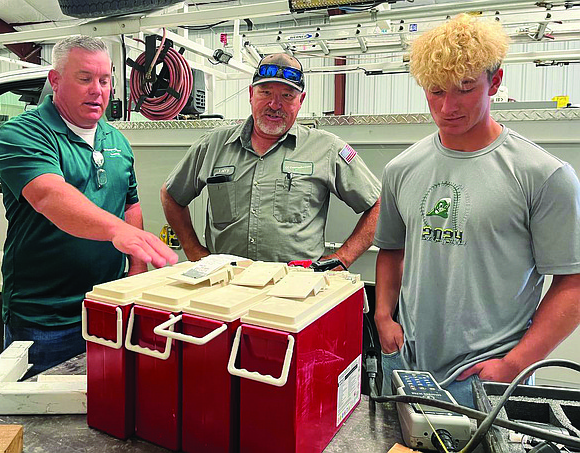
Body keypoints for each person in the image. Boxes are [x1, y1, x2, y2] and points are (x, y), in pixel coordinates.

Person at [374, 14, 580, 407]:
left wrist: (515, 363)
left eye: (465, 89)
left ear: (495, 82)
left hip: (491, 377)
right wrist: (384, 317)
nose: (447, 107)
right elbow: (391, 250)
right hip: (406, 364)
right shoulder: (401, 169)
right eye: (435, 91)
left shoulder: (544, 175)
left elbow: (573, 285)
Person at [0, 35, 178, 377]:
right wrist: (116, 231)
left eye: (105, 80)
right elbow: (50, 196)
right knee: (40, 420)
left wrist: (134, 275)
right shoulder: (23, 134)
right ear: (56, 80)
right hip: (45, 319)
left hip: (107, 309)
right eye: (85, 79)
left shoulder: (116, 139)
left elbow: (129, 205)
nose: (98, 90)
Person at [161, 53, 381, 267]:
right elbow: (171, 195)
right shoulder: (213, 145)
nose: (275, 104)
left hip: (296, 291)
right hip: (225, 286)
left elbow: (378, 205)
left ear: (301, 100)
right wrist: (194, 252)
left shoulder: (328, 148)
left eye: (287, 96)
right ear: (250, 94)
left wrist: (343, 258)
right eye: (265, 92)